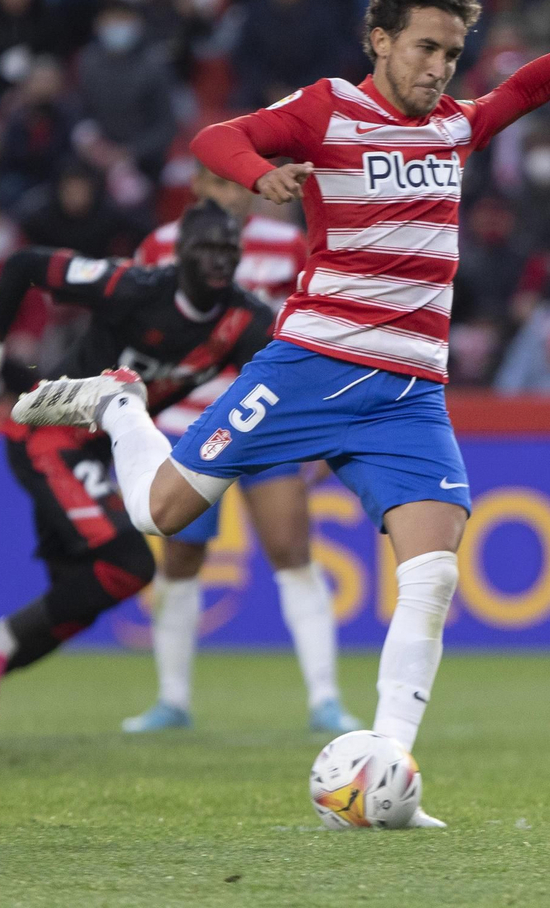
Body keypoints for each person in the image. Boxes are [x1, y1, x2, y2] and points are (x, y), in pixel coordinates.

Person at [8, 0, 550, 827]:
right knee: (161, 515)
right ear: (380, 40)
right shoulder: (329, 109)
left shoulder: (453, 129)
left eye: (451, 52)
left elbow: (527, 85)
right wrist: (260, 174)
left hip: (408, 393)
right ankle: (117, 403)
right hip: (310, 365)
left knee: (435, 573)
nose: (440, 67)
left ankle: (391, 775)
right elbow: (217, 138)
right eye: (424, 47)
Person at [0, 201, 275, 751]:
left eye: (229, 250)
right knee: (127, 560)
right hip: (47, 434)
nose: (220, 261)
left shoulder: (245, 319)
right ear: (180, 254)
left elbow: (284, 376)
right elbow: (24, 263)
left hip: (92, 456)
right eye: (207, 249)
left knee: (97, 587)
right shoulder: (134, 287)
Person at [121, 166, 359, 735]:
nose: (235, 196)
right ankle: (172, 700)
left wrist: (326, 422)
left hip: (267, 419)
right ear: (200, 188)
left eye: (242, 186)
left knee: (290, 548)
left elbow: (321, 328)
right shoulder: (158, 246)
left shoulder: (288, 246)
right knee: (181, 559)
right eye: (223, 185)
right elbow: (133, 329)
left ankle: (326, 699)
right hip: (184, 422)